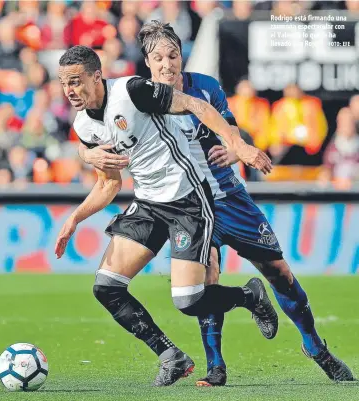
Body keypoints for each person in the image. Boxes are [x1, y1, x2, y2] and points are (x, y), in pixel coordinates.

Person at [80, 21, 355, 386]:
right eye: (158, 58)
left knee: (279, 272)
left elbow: (229, 128)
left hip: (228, 197)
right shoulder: (137, 96)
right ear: (147, 62)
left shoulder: (205, 88)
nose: (167, 65)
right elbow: (100, 128)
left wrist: (235, 147)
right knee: (205, 278)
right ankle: (216, 367)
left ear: (182, 56)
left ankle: (316, 346)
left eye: (173, 56)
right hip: (188, 203)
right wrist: (87, 154)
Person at [55, 45, 276, 386]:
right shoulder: (85, 124)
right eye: (63, 83)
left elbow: (196, 105)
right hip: (147, 204)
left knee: (188, 301)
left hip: (187, 199)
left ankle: (249, 296)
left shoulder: (133, 92)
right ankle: (171, 356)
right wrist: (75, 218)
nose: (69, 90)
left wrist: (240, 145)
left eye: (75, 81)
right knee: (106, 287)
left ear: (97, 76)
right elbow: (110, 184)